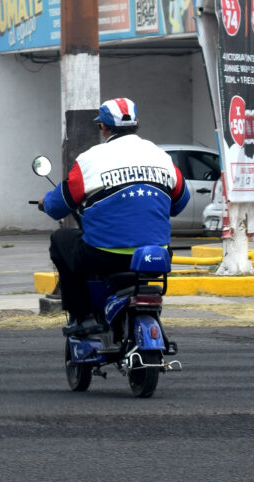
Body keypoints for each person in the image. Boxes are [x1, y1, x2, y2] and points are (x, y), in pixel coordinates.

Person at [39, 97, 190, 335]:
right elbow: (180, 202)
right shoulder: (162, 157)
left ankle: (83, 316)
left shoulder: (89, 160)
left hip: (106, 257)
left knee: (60, 240)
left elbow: (58, 206)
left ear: (103, 127)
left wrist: (45, 202)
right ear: (136, 124)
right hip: (155, 256)